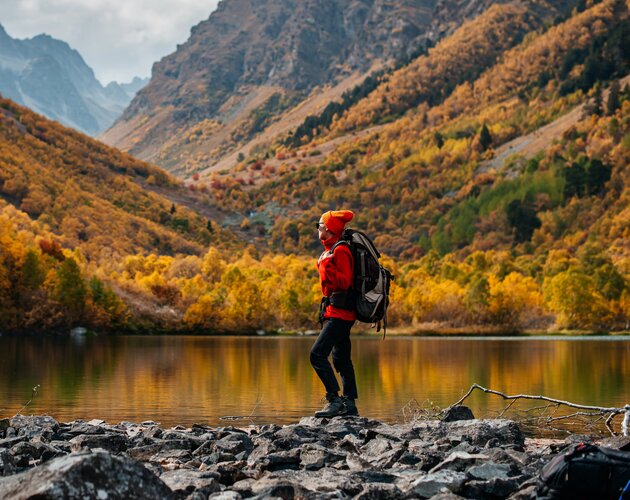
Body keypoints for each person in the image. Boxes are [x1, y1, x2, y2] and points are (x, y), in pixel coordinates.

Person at [310, 209, 359, 418]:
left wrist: (325, 267)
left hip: (341, 313)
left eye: (319, 224)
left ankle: (334, 400)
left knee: (317, 355)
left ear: (329, 229)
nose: (318, 228)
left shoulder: (340, 251)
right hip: (335, 312)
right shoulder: (329, 251)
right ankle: (350, 404)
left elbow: (345, 282)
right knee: (341, 359)